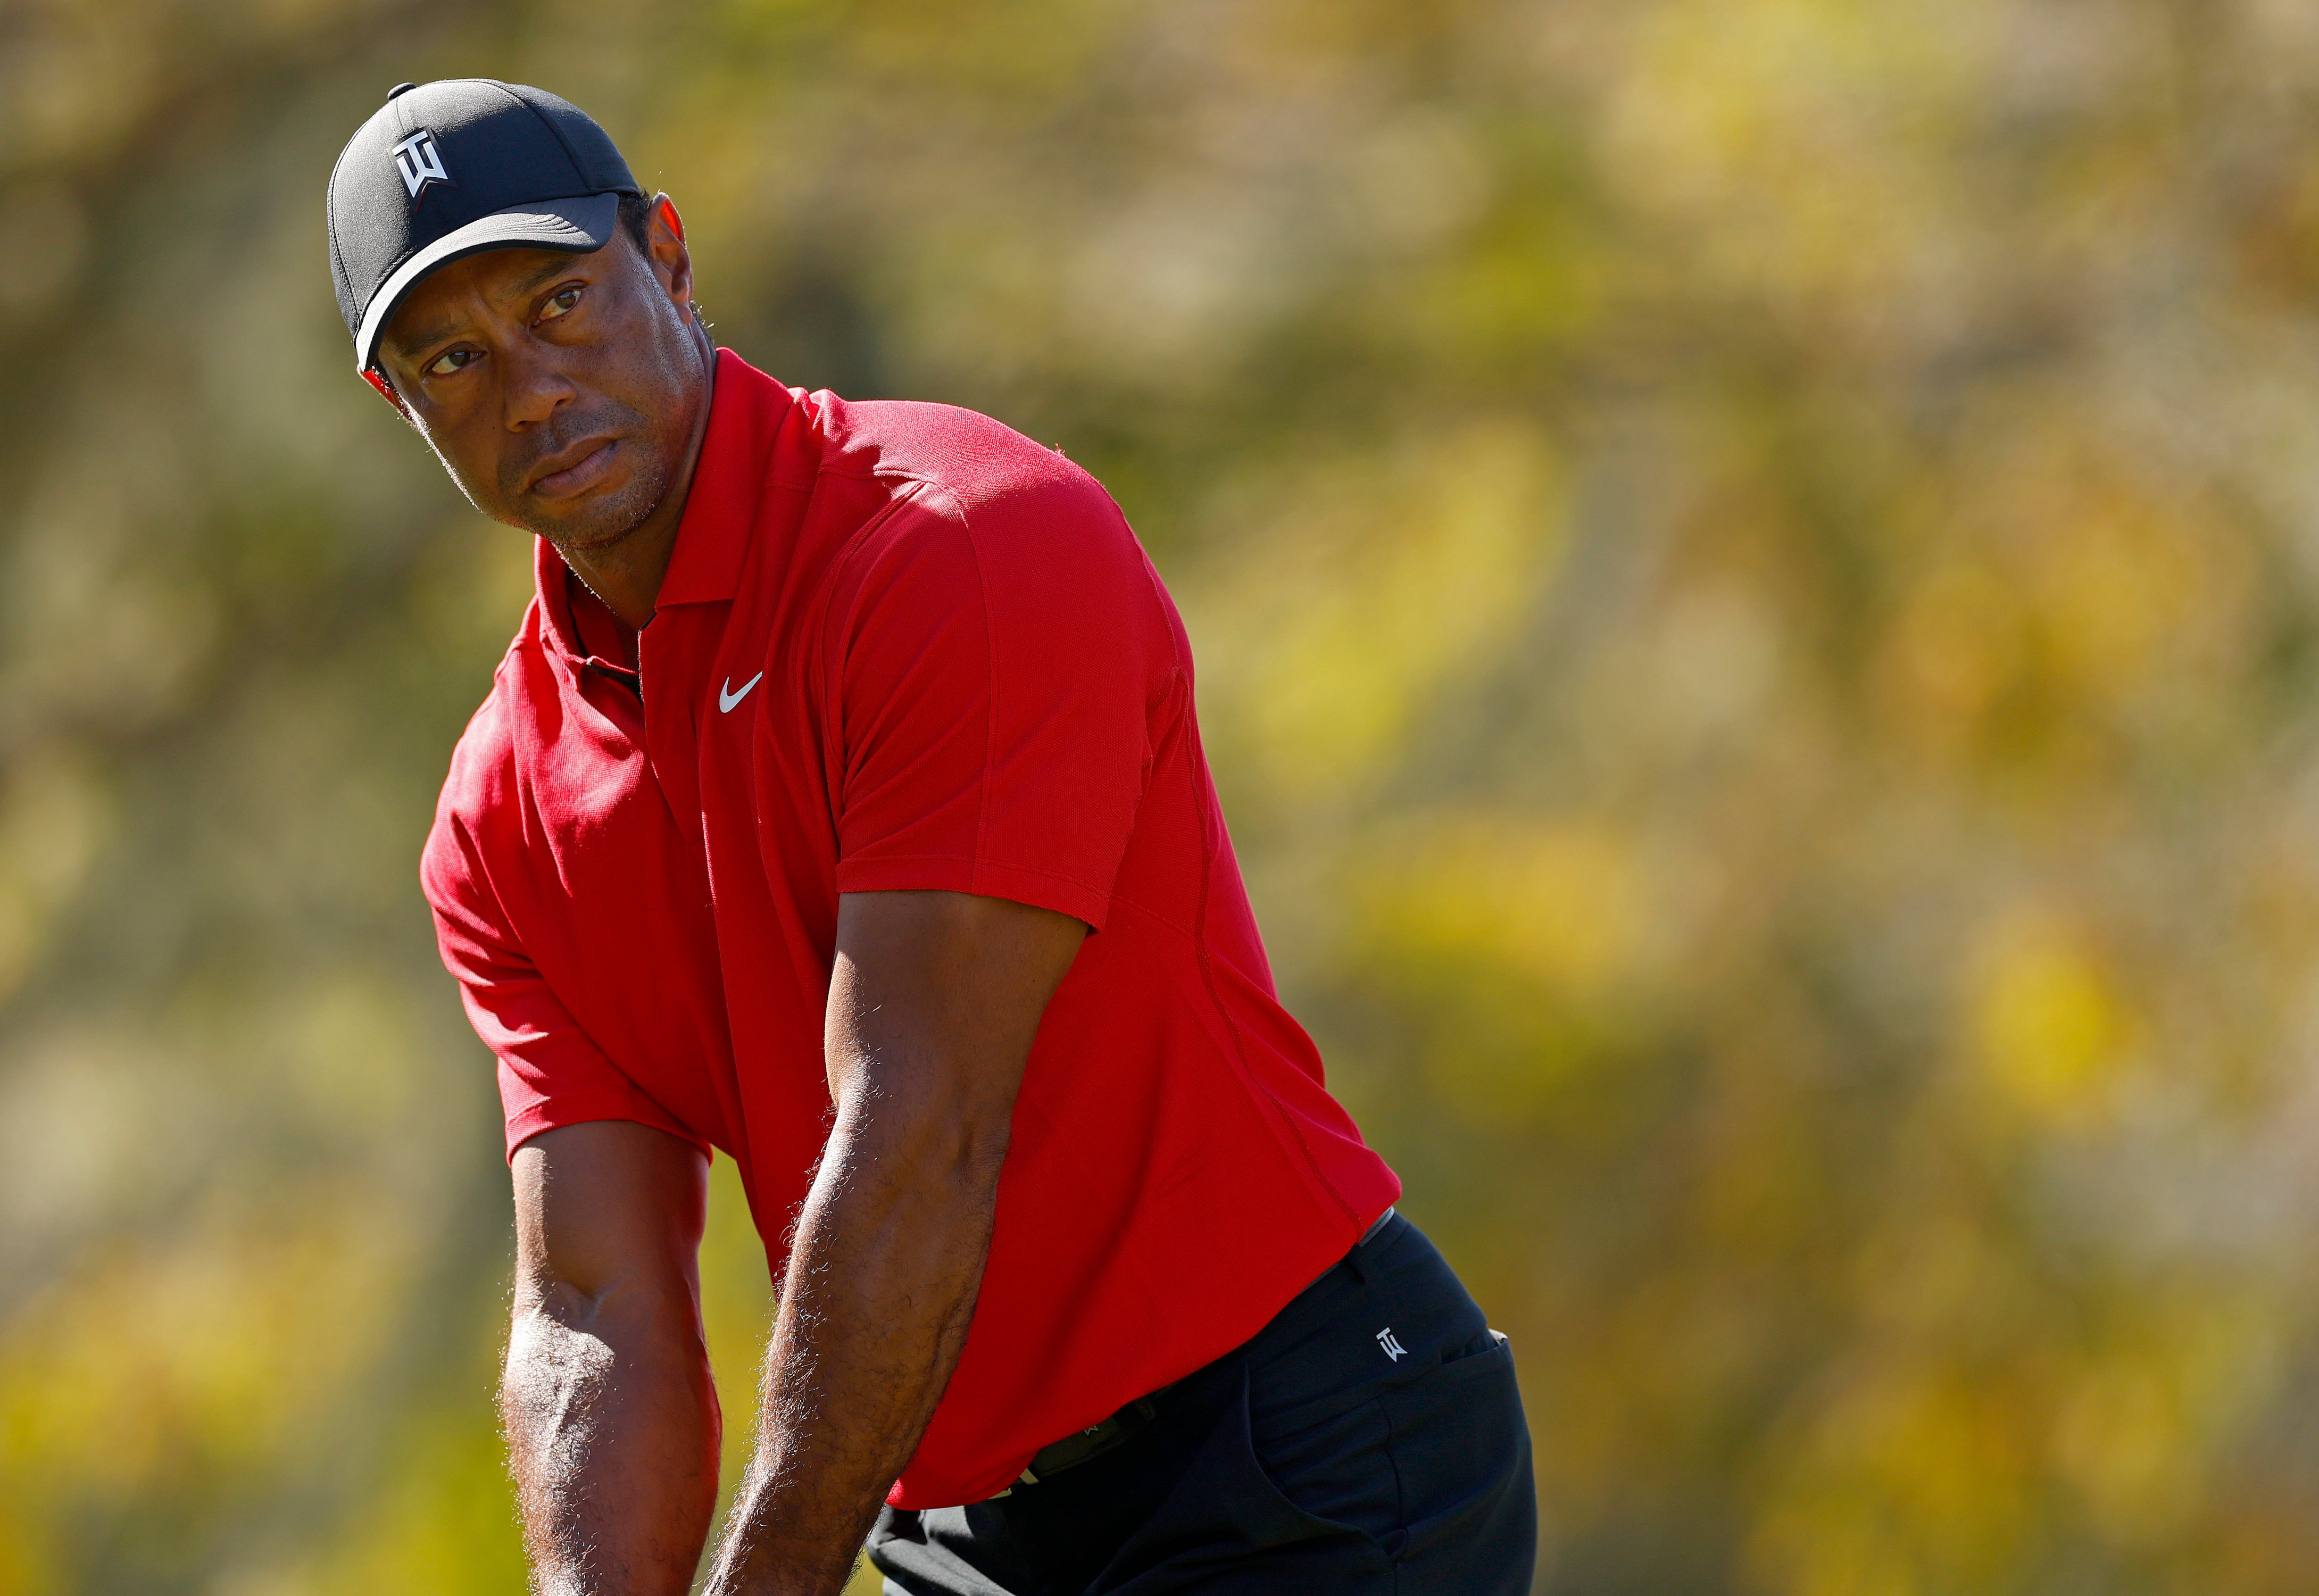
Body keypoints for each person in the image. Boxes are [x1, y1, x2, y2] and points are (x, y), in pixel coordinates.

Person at [326, 78, 1536, 1595]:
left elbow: (920, 1131)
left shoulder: (958, 550)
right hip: (963, 1522)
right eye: (455, 357)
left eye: (562, 301)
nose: (530, 388)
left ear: (671, 260)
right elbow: (593, 1307)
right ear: (405, 408)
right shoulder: (504, 816)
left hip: (1293, 1450)